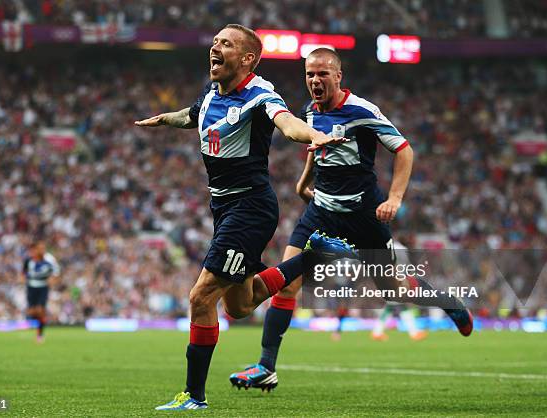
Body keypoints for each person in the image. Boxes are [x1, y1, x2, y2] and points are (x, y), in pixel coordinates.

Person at [135, 25, 352, 411]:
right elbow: (194, 114)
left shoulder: (259, 94)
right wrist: (165, 119)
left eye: (226, 44)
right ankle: (315, 255)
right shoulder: (212, 92)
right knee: (240, 306)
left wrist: (312, 136)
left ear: (247, 58)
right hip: (224, 208)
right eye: (215, 41)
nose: (215, 48)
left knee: (200, 297)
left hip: (250, 207)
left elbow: (286, 122)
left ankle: (194, 396)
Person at [229, 48, 472, 391]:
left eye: (323, 74)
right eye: (310, 74)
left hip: (363, 215)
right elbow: (318, 150)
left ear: (338, 76)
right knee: (288, 282)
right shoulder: (308, 113)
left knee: (394, 289)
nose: (315, 80)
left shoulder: (362, 110)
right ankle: (266, 366)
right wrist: (303, 182)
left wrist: (395, 198)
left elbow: (404, 150)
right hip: (322, 210)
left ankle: (449, 303)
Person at [22, 240, 60, 343]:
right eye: (40, 248)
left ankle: (40, 334)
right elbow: (24, 273)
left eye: (43, 248)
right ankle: (38, 322)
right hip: (31, 287)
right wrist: (23, 280)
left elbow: (56, 272)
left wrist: (52, 280)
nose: (42, 250)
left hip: (43, 287)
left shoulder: (49, 260)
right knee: (32, 311)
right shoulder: (29, 260)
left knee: (40, 310)